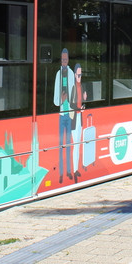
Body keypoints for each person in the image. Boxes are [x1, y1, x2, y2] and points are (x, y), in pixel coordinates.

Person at [53, 49, 76, 181]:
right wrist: (61, 101)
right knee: (61, 145)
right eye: (62, 60)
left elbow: (74, 95)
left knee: (68, 144)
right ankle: (61, 173)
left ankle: (68, 171)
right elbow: (55, 100)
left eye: (66, 60)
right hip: (62, 115)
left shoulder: (71, 74)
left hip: (70, 115)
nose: (64, 62)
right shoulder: (58, 74)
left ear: (68, 60)